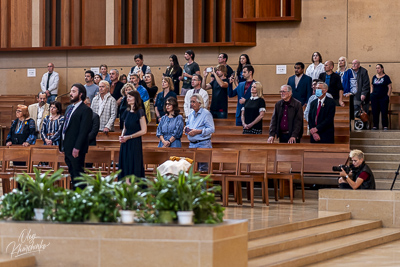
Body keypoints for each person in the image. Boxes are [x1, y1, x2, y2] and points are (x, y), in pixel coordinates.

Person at [59, 83, 92, 189]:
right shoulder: (69, 108)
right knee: (72, 174)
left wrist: (77, 147)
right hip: (67, 146)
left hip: (76, 148)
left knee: (78, 175)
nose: (71, 94)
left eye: (74, 92)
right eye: (71, 91)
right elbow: (65, 126)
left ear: (81, 94)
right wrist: (61, 144)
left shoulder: (85, 110)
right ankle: (75, 197)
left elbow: (84, 131)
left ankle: (81, 198)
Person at [118, 90, 147, 181]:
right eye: (127, 97)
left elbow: (144, 131)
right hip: (125, 142)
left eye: (130, 96)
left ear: (136, 98)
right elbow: (124, 127)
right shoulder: (127, 111)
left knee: (133, 164)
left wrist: (129, 137)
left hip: (134, 142)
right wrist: (122, 136)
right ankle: (125, 187)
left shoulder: (140, 112)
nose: (128, 98)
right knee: (125, 164)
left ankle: (133, 187)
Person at [370, 64, 392, 130]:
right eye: (376, 68)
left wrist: (388, 95)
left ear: (382, 69)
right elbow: (372, 85)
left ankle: (385, 126)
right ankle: (375, 126)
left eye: (378, 68)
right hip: (374, 97)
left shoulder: (386, 77)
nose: (377, 69)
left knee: (384, 111)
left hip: (383, 97)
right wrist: (371, 93)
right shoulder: (374, 77)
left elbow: (390, 87)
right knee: (375, 112)